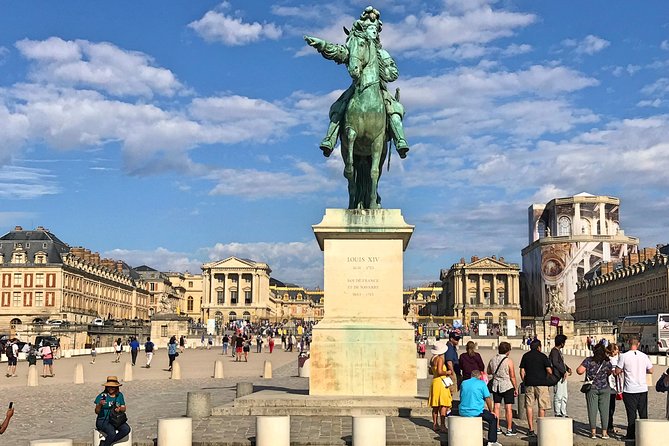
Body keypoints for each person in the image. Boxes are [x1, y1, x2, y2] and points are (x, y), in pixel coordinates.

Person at [305, 6, 409, 159]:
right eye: (369, 27)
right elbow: (340, 52)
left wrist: (382, 73)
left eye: (375, 28)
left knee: (395, 110)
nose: (372, 30)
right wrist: (323, 45)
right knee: (339, 106)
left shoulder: (382, 53)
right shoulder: (355, 46)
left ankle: (400, 140)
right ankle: (330, 139)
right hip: (357, 87)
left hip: (379, 90)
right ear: (363, 29)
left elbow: (393, 73)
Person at [614, 335, 653, 440]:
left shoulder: (624, 356)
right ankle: (645, 435)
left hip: (630, 389)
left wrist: (618, 371)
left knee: (631, 414)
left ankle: (631, 435)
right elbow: (651, 370)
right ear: (638, 344)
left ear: (628, 343)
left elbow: (617, 371)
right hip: (642, 388)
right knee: (643, 413)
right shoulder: (644, 356)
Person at [577, 343, 613, 439]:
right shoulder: (607, 362)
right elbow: (610, 373)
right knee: (605, 411)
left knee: (592, 410)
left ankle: (593, 432)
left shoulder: (589, 360)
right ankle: (604, 433)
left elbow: (579, 371)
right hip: (605, 388)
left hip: (592, 388)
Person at [519, 339, 554, 437]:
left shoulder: (525, 356)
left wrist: (524, 381)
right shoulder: (542, 356)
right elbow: (549, 370)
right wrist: (548, 376)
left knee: (529, 406)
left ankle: (531, 429)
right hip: (541, 383)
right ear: (539, 347)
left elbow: (522, 371)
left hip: (529, 383)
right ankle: (540, 428)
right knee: (542, 406)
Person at [459, 369, 502, 446]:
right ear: (479, 376)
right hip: (476, 411)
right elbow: (488, 398)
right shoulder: (482, 384)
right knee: (493, 418)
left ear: (471, 376)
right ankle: (492, 441)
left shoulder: (464, 383)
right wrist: (491, 411)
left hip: (462, 410)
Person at [487, 341, 518, 436]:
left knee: (496, 406)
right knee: (508, 407)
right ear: (507, 351)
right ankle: (509, 429)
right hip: (507, 385)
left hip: (496, 384)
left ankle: (497, 427)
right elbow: (512, 376)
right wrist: (515, 387)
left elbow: (488, 371)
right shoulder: (508, 361)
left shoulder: (492, 359)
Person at [94, 376, 130, 446]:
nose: (110, 388)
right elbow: (96, 411)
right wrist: (99, 404)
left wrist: (119, 409)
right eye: (109, 387)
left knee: (126, 429)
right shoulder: (102, 396)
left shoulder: (119, 395)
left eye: (113, 387)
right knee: (112, 433)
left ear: (117, 387)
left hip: (115, 420)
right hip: (103, 420)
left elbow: (124, 408)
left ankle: (105, 443)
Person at [427, 340, 452, 433]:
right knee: (443, 405)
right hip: (441, 382)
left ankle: (435, 424)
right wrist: (448, 372)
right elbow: (440, 371)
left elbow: (431, 371)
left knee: (435, 405)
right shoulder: (440, 359)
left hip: (435, 381)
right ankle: (442, 425)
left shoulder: (432, 359)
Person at [549, 334, 572, 417]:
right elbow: (555, 363)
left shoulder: (558, 351)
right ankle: (558, 412)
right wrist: (563, 371)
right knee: (558, 395)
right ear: (561, 343)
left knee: (564, 395)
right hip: (558, 376)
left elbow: (561, 363)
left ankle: (563, 411)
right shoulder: (554, 351)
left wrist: (567, 368)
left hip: (562, 375)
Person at [606, 343, 623, 437]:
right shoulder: (613, 359)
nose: (618, 350)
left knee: (610, 407)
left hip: (611, 385)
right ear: (613, 351)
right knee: (611, 408)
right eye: (616, 349)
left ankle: (609, 426)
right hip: (612, 385)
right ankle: (609, 426)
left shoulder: (612, 358)